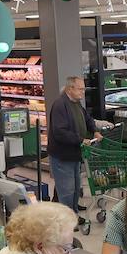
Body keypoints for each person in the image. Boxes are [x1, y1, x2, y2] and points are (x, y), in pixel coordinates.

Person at [48, 76, 97, 214]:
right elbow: (60, 132)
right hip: (63, 155)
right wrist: (80, 139)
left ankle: (73, 212)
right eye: (80, 89)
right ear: (70, 89)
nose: (83, 92)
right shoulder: (60, 105)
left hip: (74, 154)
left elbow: (87, 119)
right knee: (67, 190)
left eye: (84, 89)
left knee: (75, 187)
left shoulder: (76, 103)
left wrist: (94, 131)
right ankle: (68, 219)